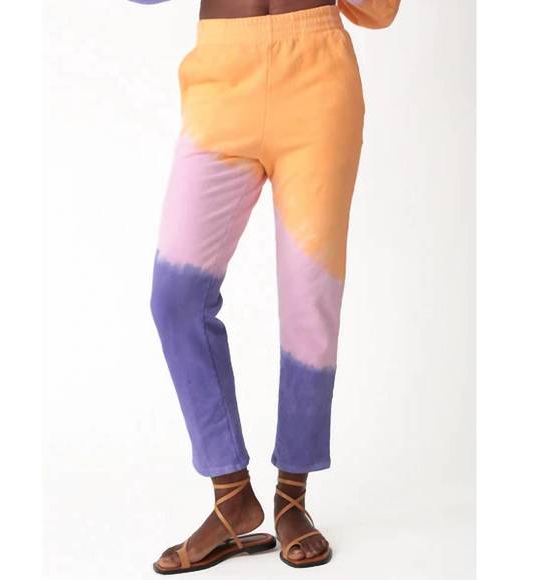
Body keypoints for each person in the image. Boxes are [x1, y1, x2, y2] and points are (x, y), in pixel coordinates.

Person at [130, 0, 400, 573]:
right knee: (175, 298)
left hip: (317, 78)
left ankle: (292, 497)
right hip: (221, 78)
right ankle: (231, 495)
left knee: (310, 300)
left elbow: (380, 11)